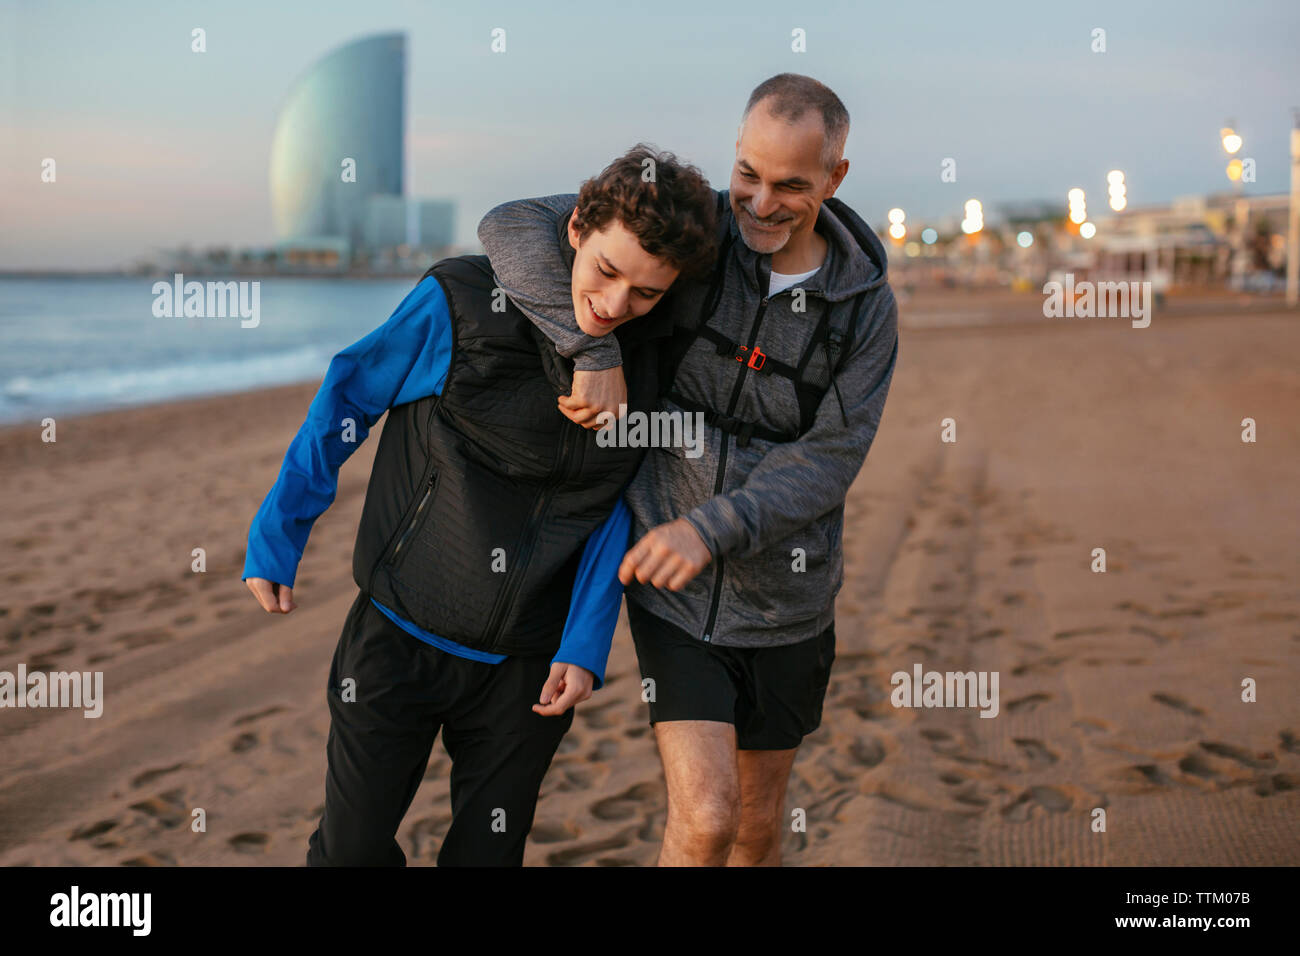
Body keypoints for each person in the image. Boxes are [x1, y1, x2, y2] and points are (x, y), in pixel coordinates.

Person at [241, 144, 718, 866]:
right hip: (397, 633)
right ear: (575, 230)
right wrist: (281, 530)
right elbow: (347, 397)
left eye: (646, 293)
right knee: (349, 852)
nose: (615, 305)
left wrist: (583, 646)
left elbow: (612, 505)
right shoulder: (462, 301)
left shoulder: (651, 360)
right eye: (608, 271)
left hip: (526, 668)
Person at [478, 73, 899, 866]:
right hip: (674, 601)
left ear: (836, 178)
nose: (760, 204)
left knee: (755, 827)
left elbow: (834, 453)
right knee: (706, 817)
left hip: (789, 603)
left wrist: (716, 528)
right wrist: (592, 350)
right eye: (747, 174)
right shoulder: (696, 229)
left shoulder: (865, 305)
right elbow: (512, 226)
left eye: (790, 185)